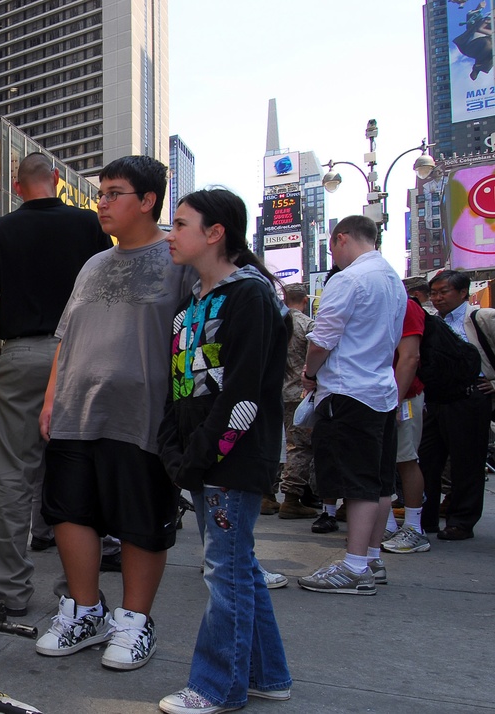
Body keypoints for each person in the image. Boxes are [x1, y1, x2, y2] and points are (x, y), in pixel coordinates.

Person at [35, 155, 193, 671]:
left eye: (114, 193)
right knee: (68, 512)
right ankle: (84, 612)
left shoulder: (179, 257)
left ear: (148, 201)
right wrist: (51, 397)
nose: (101, 201)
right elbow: (66, 337)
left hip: (143, 415)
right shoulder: (93, 263)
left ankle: (134, 621)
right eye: (100, 192)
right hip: (76, 411)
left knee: (141, 522)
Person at [156, 188, 292, 714]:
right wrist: (176, 451)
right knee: (238, 568)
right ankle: (268, 676)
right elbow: (177, 389)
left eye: (182, 225)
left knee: (225, 572)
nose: (172, 235)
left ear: (216, 234)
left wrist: (195, 458)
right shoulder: (190, 302)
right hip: (202, 460)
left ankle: (218, 687)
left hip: (231, 463)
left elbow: (244, 393)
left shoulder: (251, 297)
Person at [0, 152, 112, 618]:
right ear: (55, 180)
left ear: (17, 187)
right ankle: (75, 592)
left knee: (12, 477)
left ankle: (12, 592)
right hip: (79, 356)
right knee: (74, 473)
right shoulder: (89, 226)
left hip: (19, 353)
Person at [297, 216, 405, 596]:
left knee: (357, 484)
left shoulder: (349, 279)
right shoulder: (393, 280)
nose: (333, 256)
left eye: (331, 246)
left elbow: (322, 338)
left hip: (348, 389)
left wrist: (310, 372)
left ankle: (354, 565)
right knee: (378, 482)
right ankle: (371, 558)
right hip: (380, 389)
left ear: (342, 238)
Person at [418, 269, 495, 540]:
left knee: (467, 462)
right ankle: (424, 520)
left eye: (444, 292)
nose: (438, 298)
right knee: (425, 460)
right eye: (434, 293)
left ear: (463, 293)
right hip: (435, 399)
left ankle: (461, 521)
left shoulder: (481, 318)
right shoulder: (430, 321)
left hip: (469, 398)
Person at [380, 295, 431, 553]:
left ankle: (413, 528)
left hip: (403, 398)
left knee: (405, 459)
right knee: (382, 462)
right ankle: (386, 525)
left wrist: (396, 401)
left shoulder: (404, 305)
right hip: (380, 397)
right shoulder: (380, 301)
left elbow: (410, 357)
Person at [277, 284, 320, 520]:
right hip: (299, 394)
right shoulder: (307, 324)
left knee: (273, 442)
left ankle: (266, 493)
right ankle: (292, 497)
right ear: (304, 300)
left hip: (274, 392)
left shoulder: (274, 320)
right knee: (299, 446)